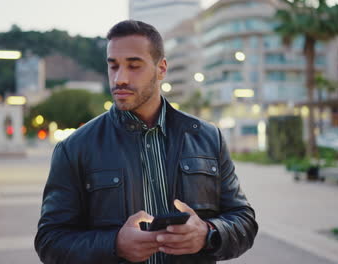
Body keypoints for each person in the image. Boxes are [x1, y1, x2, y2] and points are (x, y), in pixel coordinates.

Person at [35, 20, 258, 264]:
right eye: (113, 66)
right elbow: (50, 241)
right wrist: (115, 245)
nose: (119, 78)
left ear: (161, 69)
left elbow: (244, 220)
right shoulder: (74, 148)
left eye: (134, 66)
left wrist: (208, 233)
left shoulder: (207, 138)